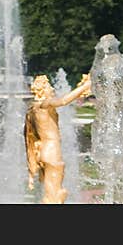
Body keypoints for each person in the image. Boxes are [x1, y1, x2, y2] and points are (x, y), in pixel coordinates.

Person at [25, 73, 92, 204]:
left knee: (53, 191)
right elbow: (63, 101)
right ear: (43, 90)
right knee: (55, 195)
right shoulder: (44, 104)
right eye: (49, 87)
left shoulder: (34, 108)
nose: (52, 89)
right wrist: (86, 86)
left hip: (45, 149)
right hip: (51, 150)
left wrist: (80, 91)